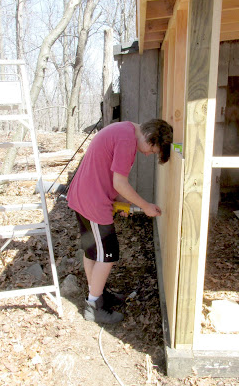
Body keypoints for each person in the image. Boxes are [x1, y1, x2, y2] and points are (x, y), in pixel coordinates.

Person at [67, 119, 173, 324]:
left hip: (85, 194)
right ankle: (93, 307)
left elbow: (107, 172)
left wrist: (122, 201)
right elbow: (119, 182)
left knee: (93, 251)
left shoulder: (125, 130)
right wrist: (145, 206)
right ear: (151, 140)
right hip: (92, 201)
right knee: (108, 253)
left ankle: (97, 294)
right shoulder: (127, 141)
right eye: (153, 151)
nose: (148, 154)